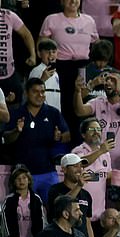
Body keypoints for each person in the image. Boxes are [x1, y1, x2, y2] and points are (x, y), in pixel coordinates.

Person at [39, 0, 99, 141]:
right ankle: (63, 141)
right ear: (61, 1)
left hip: (83, 67)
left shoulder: (89, 20)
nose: (73, 1)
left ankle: (81, 140)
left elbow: (96, 43)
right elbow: (41, 43)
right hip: (61, 66)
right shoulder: (52, 19)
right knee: (64, 103)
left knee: (81, 103)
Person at [3, 78, 71, 202]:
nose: (40, 95)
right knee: (22, 213)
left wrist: (60, 137)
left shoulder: (53, 113)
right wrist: (16, 131)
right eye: (35, 91)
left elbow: (67, 135)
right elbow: (7, 139)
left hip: (48, 172)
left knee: (53, 210)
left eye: (43, 92)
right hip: (23, 175)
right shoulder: (16, 113)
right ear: (26, 93)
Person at [75, 70, 120, 172]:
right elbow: (80, 111)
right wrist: (78, 92)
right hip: (100, 161)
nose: (108, 82)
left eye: (113, 80)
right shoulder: (98, 101)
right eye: (107, 80)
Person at [47, 153, 101, 237]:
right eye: (75, 166)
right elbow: (61, 204)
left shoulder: (86, 195)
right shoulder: (55, 190)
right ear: (64, 169)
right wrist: (79, 186)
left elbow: (88, 224)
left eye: (81, 166)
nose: (80, 169)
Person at [2, 166, 46, 237]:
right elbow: (5, 221)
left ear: (29, 180)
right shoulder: (9, 200)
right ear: (13, 181)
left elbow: (42, 220)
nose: (21, 181)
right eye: (18, 178)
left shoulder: (36, 199)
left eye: (24, 178)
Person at [71, 118, 114, 222]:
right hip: (81, 213)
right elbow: (80, 163)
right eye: (92, 129)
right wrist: (101, 151)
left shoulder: (106, 154)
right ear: (83, 134)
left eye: (99, 129)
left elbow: (106, 176)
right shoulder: (78, 151)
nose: (96, 132)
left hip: (100, 213)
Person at [0, 4, 37, 106]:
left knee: (16, 108)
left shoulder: (9, 15)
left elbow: (26, 34)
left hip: (9, 75)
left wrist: (33, 55)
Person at [29, 39, 61, 111]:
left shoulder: (56, 73)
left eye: (53, 52)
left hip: (56, 108)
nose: (51, 55)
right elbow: (30, 90)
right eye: (47, 52)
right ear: (39, 54)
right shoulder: (36, 70)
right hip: (43, 109)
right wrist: (42, 79)